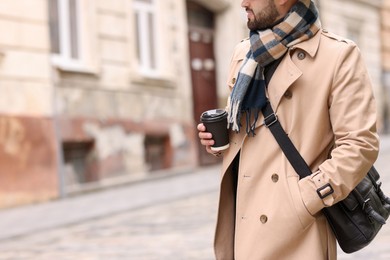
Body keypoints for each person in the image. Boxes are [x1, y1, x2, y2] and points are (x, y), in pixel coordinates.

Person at [197, 0, 379, 259]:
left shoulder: (338, 56)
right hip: (243, 220)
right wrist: (221, 139)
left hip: (297, 229)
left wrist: (305, 199)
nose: (242, 3)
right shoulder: (244, 53)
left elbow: (360, 145)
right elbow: (252, 129)